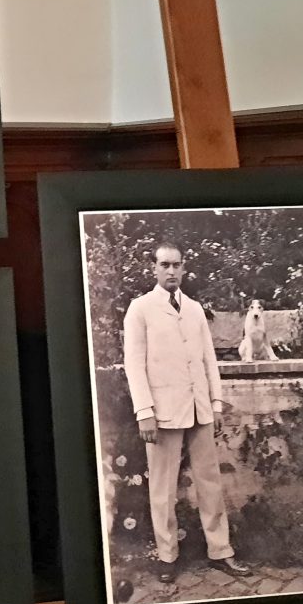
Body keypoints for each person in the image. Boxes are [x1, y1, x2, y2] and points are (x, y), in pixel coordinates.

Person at [123, 241, 252, 584]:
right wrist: (144, 411)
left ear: (183, 268)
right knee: (162, 488)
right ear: (153, 268)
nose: (171, 271)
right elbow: (134, 364)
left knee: (210, 482)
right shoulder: (140, 309)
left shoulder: (194, 309)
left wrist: (216, 403)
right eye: (164, 265)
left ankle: (220, 551)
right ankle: (168, 556)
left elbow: (209, 361)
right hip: (162, 412)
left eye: (176, 265)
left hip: (200, 409)